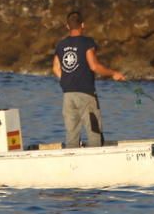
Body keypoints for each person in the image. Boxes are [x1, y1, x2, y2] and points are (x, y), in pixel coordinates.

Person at [52, 11, 125, 148]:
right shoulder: (87, 43)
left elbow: (56, 68)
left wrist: (68, 79)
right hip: (86, 94)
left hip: (68, 95)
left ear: (67, 26)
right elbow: (94, 66)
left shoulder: (61, 45)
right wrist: (113, 73)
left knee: (71, 134)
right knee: (94, 132)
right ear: (83, 25)